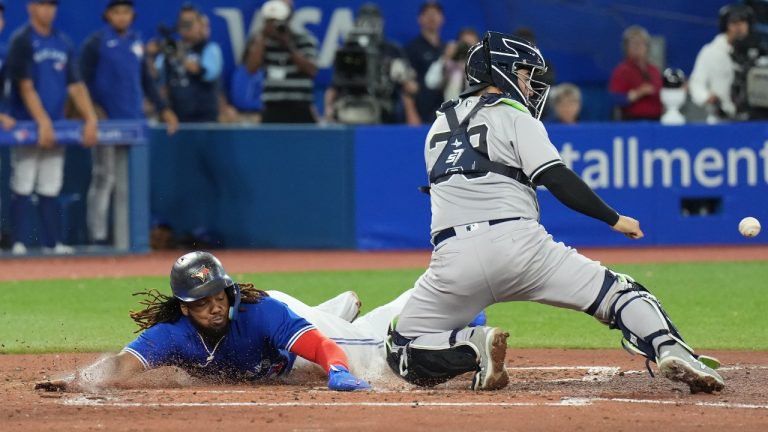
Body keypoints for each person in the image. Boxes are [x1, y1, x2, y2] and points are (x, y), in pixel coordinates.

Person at [386, 31, 725, 394]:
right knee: (621, 294)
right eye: (523, 74)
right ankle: (669, 347)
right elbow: (556, 178)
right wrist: (614, 218)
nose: (530, 86)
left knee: (400, 345)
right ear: (499, 72)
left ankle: (473, 346)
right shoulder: (515, 116)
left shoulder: (438, 125)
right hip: (520, 247)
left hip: (453, 260)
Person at [35, 251, 399, 392]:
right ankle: (331, 310)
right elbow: (122, 364)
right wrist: (77, 379)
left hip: (289, 328)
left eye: (219, 296)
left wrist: (336, 368)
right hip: (280, 335)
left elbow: (321, 347)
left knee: (375, 348)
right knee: (301, 330)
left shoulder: (257, 312)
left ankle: (424, 291)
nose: (215, 308)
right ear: (183, 308)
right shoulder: (171, 336)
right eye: (202, 302)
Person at [80, 0, 178, 245]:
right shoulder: (96, 41)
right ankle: (97, 237)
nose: (122, 17)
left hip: (133, 122)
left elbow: (146, 80)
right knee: (104, 177)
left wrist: (164, 109)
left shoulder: (136, 41)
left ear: (132, 14)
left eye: (126, 12)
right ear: (107, 15)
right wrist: (92, 110)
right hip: (106, 122)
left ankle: (126, 239)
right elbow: (81, 80)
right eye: (117, 12)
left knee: (129, 183)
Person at [6, 0, 99, 255]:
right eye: (42, 5)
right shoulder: (22, 39)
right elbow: (25, 85)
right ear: (31, 8)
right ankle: (18, 243)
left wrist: (90, 117)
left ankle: (52, 243)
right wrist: (42, 121)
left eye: (51, 5)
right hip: (27, 123)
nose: (48, 10)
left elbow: (76, 85)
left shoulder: (63, 41)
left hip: (56, 123)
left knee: (51, 182)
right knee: (24, 179)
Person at [324, 2, 419, 125]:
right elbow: (334, 86)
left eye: (373, 20)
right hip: (349, 109)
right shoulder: (350, 49)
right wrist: (328, 110)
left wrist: (402, 76)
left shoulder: (392, 50)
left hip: (384, 111)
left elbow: (413, 88)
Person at [245, 0, 317, 123]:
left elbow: (312, 70)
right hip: (273, 108)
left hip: (300, 108)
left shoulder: (304, 40)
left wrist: (288, 45)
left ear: (288, 19)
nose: (274, 25)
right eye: (270, 21)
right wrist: (262, 37)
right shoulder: (262, 43)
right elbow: (251, 68)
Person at [156, 2, 223, 123]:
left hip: (204, 119)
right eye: (183, 22)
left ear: (200, 24)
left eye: (190, 22)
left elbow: (208, 74)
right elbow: (157, 77)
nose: (186, 26)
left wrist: (180, 57)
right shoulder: (169, 50)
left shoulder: (210, 48)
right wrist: (150, 55)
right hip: (177, 119)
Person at [689, 4, 753, 123]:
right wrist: (707, 97)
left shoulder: (755, 52)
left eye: (743, 22)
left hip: (751, 119)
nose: (739, 27)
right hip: (720, 119)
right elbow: (696, 83)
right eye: (734, 23)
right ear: (726, 26)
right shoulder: (710, 51)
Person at [608, 25, 662, 121]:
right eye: (633, 44)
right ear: (626, 47)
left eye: (641, 43)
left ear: (647, 47)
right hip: (632, 122)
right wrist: (638, 93)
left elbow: (661, 93)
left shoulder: (654, 70)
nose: (637, 47)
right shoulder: (622, 70)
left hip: (656, 121)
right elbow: (615, 99)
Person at [405, 2, 445, 124]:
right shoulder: (412, 49)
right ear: (420, 19)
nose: (432, 18)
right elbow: (406, 86)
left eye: (435, 14)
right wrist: (411, 114)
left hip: (444, 112)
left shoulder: (446, 49)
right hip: (421, 112)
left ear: (442, 19)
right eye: (428, 15)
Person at [424, 27, 480, 102]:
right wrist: (445, 58)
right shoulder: (448, 63)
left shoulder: (482, 65)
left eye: (471, 44)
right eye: (464, 44)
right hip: (451, 110)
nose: (468, 49)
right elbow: (430, 82)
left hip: (475, 109)